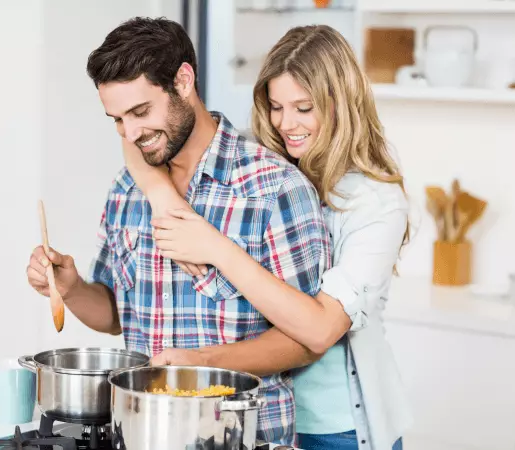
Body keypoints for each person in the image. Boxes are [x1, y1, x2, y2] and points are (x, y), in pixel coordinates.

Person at [26, 17, 331, 446]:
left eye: (140, 111)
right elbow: (116, 316)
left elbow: (305, 342)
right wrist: (72, 288)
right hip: (141, 435)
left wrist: (198, 365)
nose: (131, 134)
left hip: (244, 436)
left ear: (183, 80)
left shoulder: (273, 188)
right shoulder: (127, 189)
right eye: (116, 120)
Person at [120, 25, 413, 450]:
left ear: (341, 105)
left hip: (336, 426)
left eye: (303, 108)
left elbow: (320, 330)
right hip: (263, 416)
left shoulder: (376, 203)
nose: (286, 123)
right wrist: (162, 196)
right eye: (276, 106)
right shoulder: (267, 165)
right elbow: (131, 138)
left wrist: (215, 247)